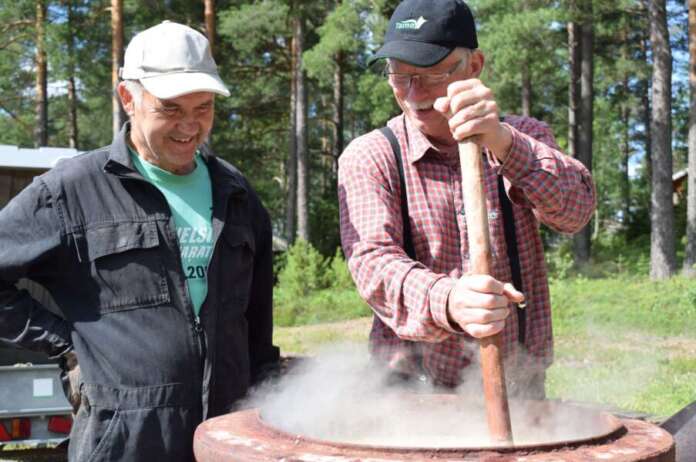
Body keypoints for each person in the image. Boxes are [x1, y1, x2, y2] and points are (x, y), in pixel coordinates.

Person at [0, 21, 279, 461]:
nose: (190, 126)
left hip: (225, 439)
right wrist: (68, 342)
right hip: (124, 444)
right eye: (170, 108)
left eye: (203, 107)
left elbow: (258, 324)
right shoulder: (72, 191)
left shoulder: (236, 193)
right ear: (128, 98)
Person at [338, 0, 596, 397]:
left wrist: (502, 143)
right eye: (399, 75)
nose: (413, 93)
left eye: (430, 73)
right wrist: (450, 301)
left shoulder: (524, 136)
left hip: (519, 389)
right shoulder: (372, 155)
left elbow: (575, 212)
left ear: (474, 66)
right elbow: (373, 265)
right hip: (409, 395)